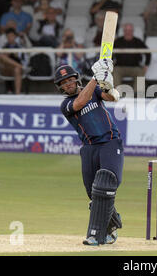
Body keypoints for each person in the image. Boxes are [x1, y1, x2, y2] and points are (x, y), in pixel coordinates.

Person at [54, 60, 122, 246]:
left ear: (76, 79)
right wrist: (95, 77)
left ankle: (95, 235)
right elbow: (80, 102)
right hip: (89, 147)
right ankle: (112, 225)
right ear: (60, 87)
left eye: (70, 80)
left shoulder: (95, 91)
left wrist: (108, 84)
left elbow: (111, 98)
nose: (68, 84)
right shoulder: (66, 105)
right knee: (94, 193)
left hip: (109, 142)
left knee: (105, 182)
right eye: (63, 83)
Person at [113, 23, 151, 94]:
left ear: (132, 31)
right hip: (120, 67)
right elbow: (110, 53)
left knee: (140, 72)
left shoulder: (138, 41)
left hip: (135, 67)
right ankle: (117, 94)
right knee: (115, 71)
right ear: (124, 31)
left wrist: (146, 65)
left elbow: (148, 53)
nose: (128, 32)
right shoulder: (117, 42)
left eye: (130, 30)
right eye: (126, 30)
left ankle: (137, 95)